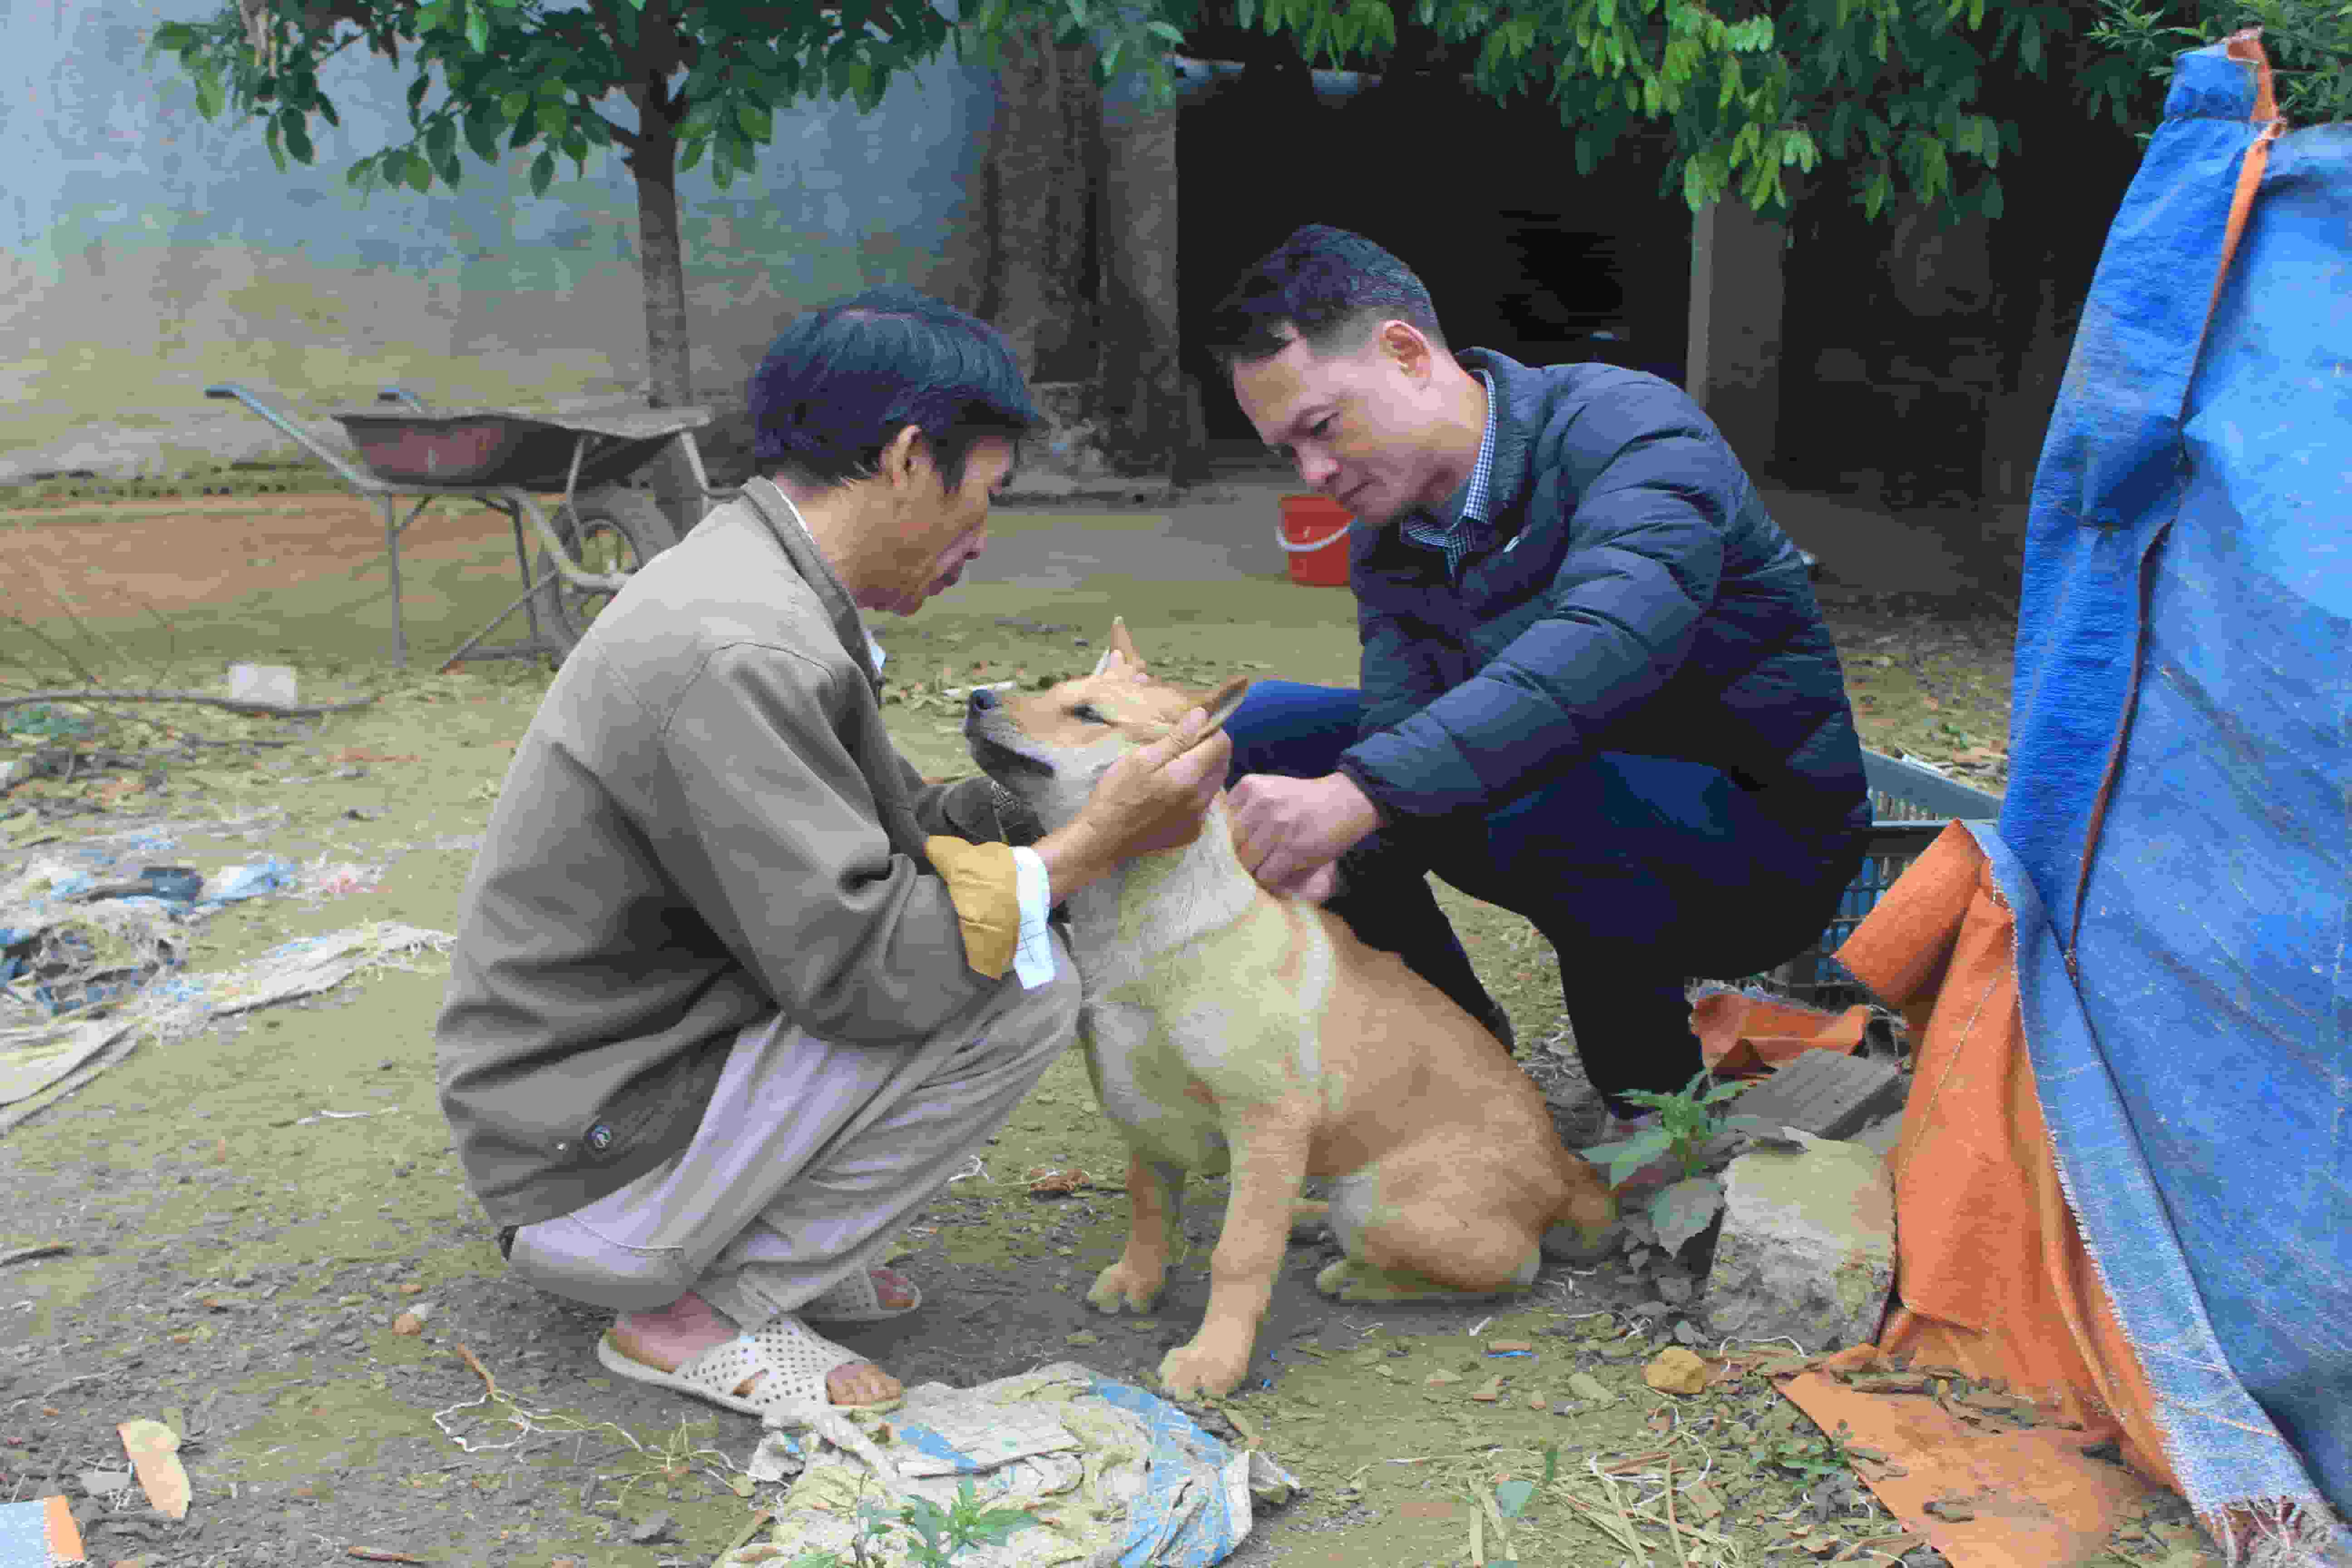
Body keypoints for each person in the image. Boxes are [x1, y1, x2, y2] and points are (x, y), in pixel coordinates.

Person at [434, 289, 1232, 1425]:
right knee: (1023, 984)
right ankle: (692, 1309)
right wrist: (1092, 847)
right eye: (984, 494)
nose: (981, 538)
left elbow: (876, 836)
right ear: (912, 459)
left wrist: (1035, 808)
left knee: (1000, 920)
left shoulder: (753, 579)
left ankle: (746, 1246)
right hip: (581, 1157)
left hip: (588, 1098)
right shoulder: (740, 646)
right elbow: (866, 964)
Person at [1207, 225, 1870, 1136]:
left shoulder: (1631, 430)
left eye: (1320, 427)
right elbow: (1400, 723)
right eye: (1288, 452)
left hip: (1757, 848)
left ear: (1406, 353)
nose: (1314, 472)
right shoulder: (1393, 539)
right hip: (1567, 799)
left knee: (1520, 771)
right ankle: (1460, 1069)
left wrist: (1361, 795)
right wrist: (1340, 845)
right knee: (1272, 729)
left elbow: (1609, 640)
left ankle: (1657, 1112)